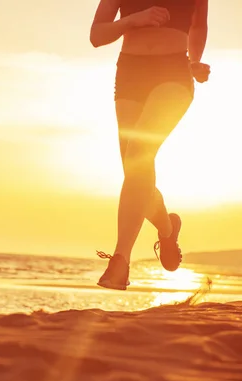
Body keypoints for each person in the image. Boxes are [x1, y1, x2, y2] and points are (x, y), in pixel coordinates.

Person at [89, 0, 210, 290]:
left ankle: (120, 262)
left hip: (174, 72)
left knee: (139, 156)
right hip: (131, 73)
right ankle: (167, 229)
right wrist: (133, 20)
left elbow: (198, 24)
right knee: (135, 172)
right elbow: (97, 35)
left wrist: (194, 61)